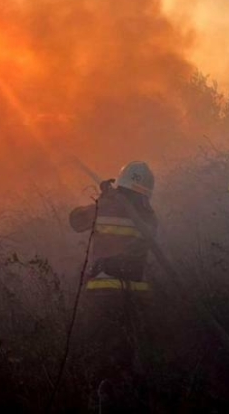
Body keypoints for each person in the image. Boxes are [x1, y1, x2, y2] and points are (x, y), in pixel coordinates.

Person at [69, 161, 158, 411]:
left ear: (122, 184)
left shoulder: (107, 204)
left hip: (102, 296)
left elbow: (75, 221)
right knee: (129, 358)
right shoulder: (150, 217)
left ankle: (101, 402)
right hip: (137, 299)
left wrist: (104, 196)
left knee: (98, 356)